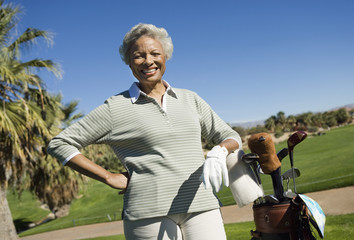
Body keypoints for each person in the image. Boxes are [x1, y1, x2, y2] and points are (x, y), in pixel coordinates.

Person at [48, 23, 241, 240]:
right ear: (129, 63)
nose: (148, 61)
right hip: (147, 212)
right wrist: (109, 177)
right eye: (139, 56)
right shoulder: (115, 107)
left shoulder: (191, 99)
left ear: (165, 56)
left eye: (155, 53)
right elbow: (59, 144)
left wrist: (219, 150)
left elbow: (232, 137)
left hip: (202, 204)